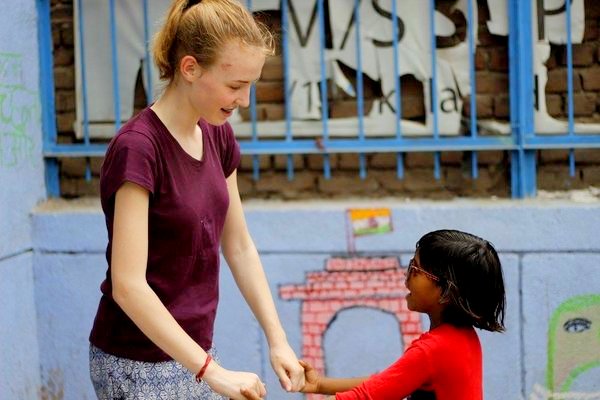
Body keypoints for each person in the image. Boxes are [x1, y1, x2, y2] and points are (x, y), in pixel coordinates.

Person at [88, 1, 304, 399]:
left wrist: (278, 340)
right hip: (138, 362)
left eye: (250, 86)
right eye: (235, 86)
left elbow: (238, 245)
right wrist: (212, 372)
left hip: (196, 354)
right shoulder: (138, 148)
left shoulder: (218, 135)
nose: (245, 101)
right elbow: (128, 286)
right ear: (189, 68)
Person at [248, 229, 505, 400]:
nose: (407, 276)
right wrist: (319, 385)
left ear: (446, 292)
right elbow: (388, 382)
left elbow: (366, 397)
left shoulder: (434, 349)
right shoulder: (461, 337)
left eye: (415, 270)